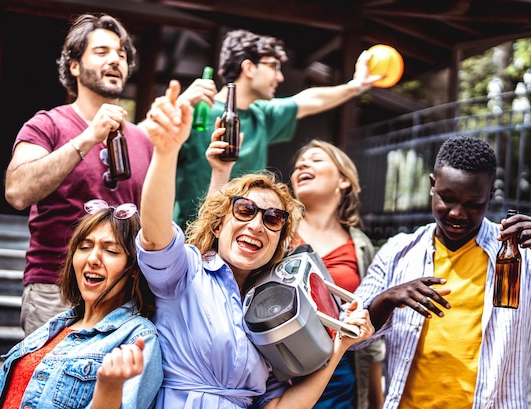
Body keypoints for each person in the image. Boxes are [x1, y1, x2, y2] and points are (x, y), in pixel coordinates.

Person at [136, 80, 375, 408]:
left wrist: (340, 348)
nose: (256, 224)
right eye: (245, 210)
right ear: (220, 225)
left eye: (273, 218)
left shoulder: (271, 308)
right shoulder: (187, 272)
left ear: (279, 243)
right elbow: (154, 232)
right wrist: (166, 152)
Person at [351, 135, 531, 409]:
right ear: (432, 186)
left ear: (490, 196)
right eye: (447, 198)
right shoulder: (397, 252)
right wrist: (389, 299)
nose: (457, 213)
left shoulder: (519, 255)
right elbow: (351, 336)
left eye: (473, 203)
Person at [3, 13, 215, 335]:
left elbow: (152, 219)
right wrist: (88, 137)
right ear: (74, 66)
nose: (116, 60)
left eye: (122, 54)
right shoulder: (48, 124)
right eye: (102, 52)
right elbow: (17, 191)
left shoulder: (143, 139)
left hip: (125, 296)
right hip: (56, 290)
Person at [174, 28, 383, 228]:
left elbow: (310, 100)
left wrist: (357, 86)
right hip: (191, 240)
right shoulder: (195, 112)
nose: (280, 77)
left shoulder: (262, 114)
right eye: (273, 66)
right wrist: (178, 107)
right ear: (248, 68)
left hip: (244, 239)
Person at [0, 200, 163, 409]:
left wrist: (108, 389)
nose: (93, 259)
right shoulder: (55, 326)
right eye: (85, 247)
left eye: (111, 251)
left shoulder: (138, 339)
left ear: (134, 268)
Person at [289, 140, 385, 409]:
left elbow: (371, 340)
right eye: (299, 164)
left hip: (341, 382)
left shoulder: (362, 246)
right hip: (279, 377)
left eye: (316, 159)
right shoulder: (276, 230)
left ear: (343, 181)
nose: (302, 165)